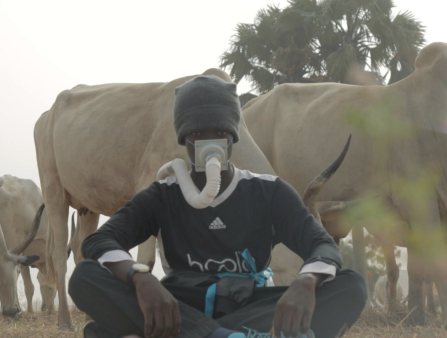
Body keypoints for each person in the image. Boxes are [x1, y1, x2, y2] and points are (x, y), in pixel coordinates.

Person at [69, 75, 367, 338]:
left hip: (246, 303)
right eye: (197, 134)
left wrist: (307, 281)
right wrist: (141, 278)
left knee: (351, 286)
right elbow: (99, 240)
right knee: (84, 277)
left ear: (233, 135)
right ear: (183, 138)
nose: (208, 141)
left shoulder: (268, 191)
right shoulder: (164, 194)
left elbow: (322, 246)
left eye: (219, 132)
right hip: (177, 304)